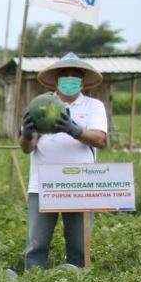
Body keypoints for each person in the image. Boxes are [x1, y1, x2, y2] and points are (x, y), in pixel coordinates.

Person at [19, 53, 108, 269]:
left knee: (79, 242)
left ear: (83, 81)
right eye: (65, 75)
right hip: (42, 185)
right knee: (36, 242)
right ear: (57, 79)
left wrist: (74, 130)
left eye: (75, 75)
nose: (70, 79)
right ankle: (34, 280)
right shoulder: (41, 105)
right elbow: (26, 148)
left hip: (79, 184)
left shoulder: (93, 106)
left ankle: (78, 280)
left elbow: (100, 139)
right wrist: (28, 133)